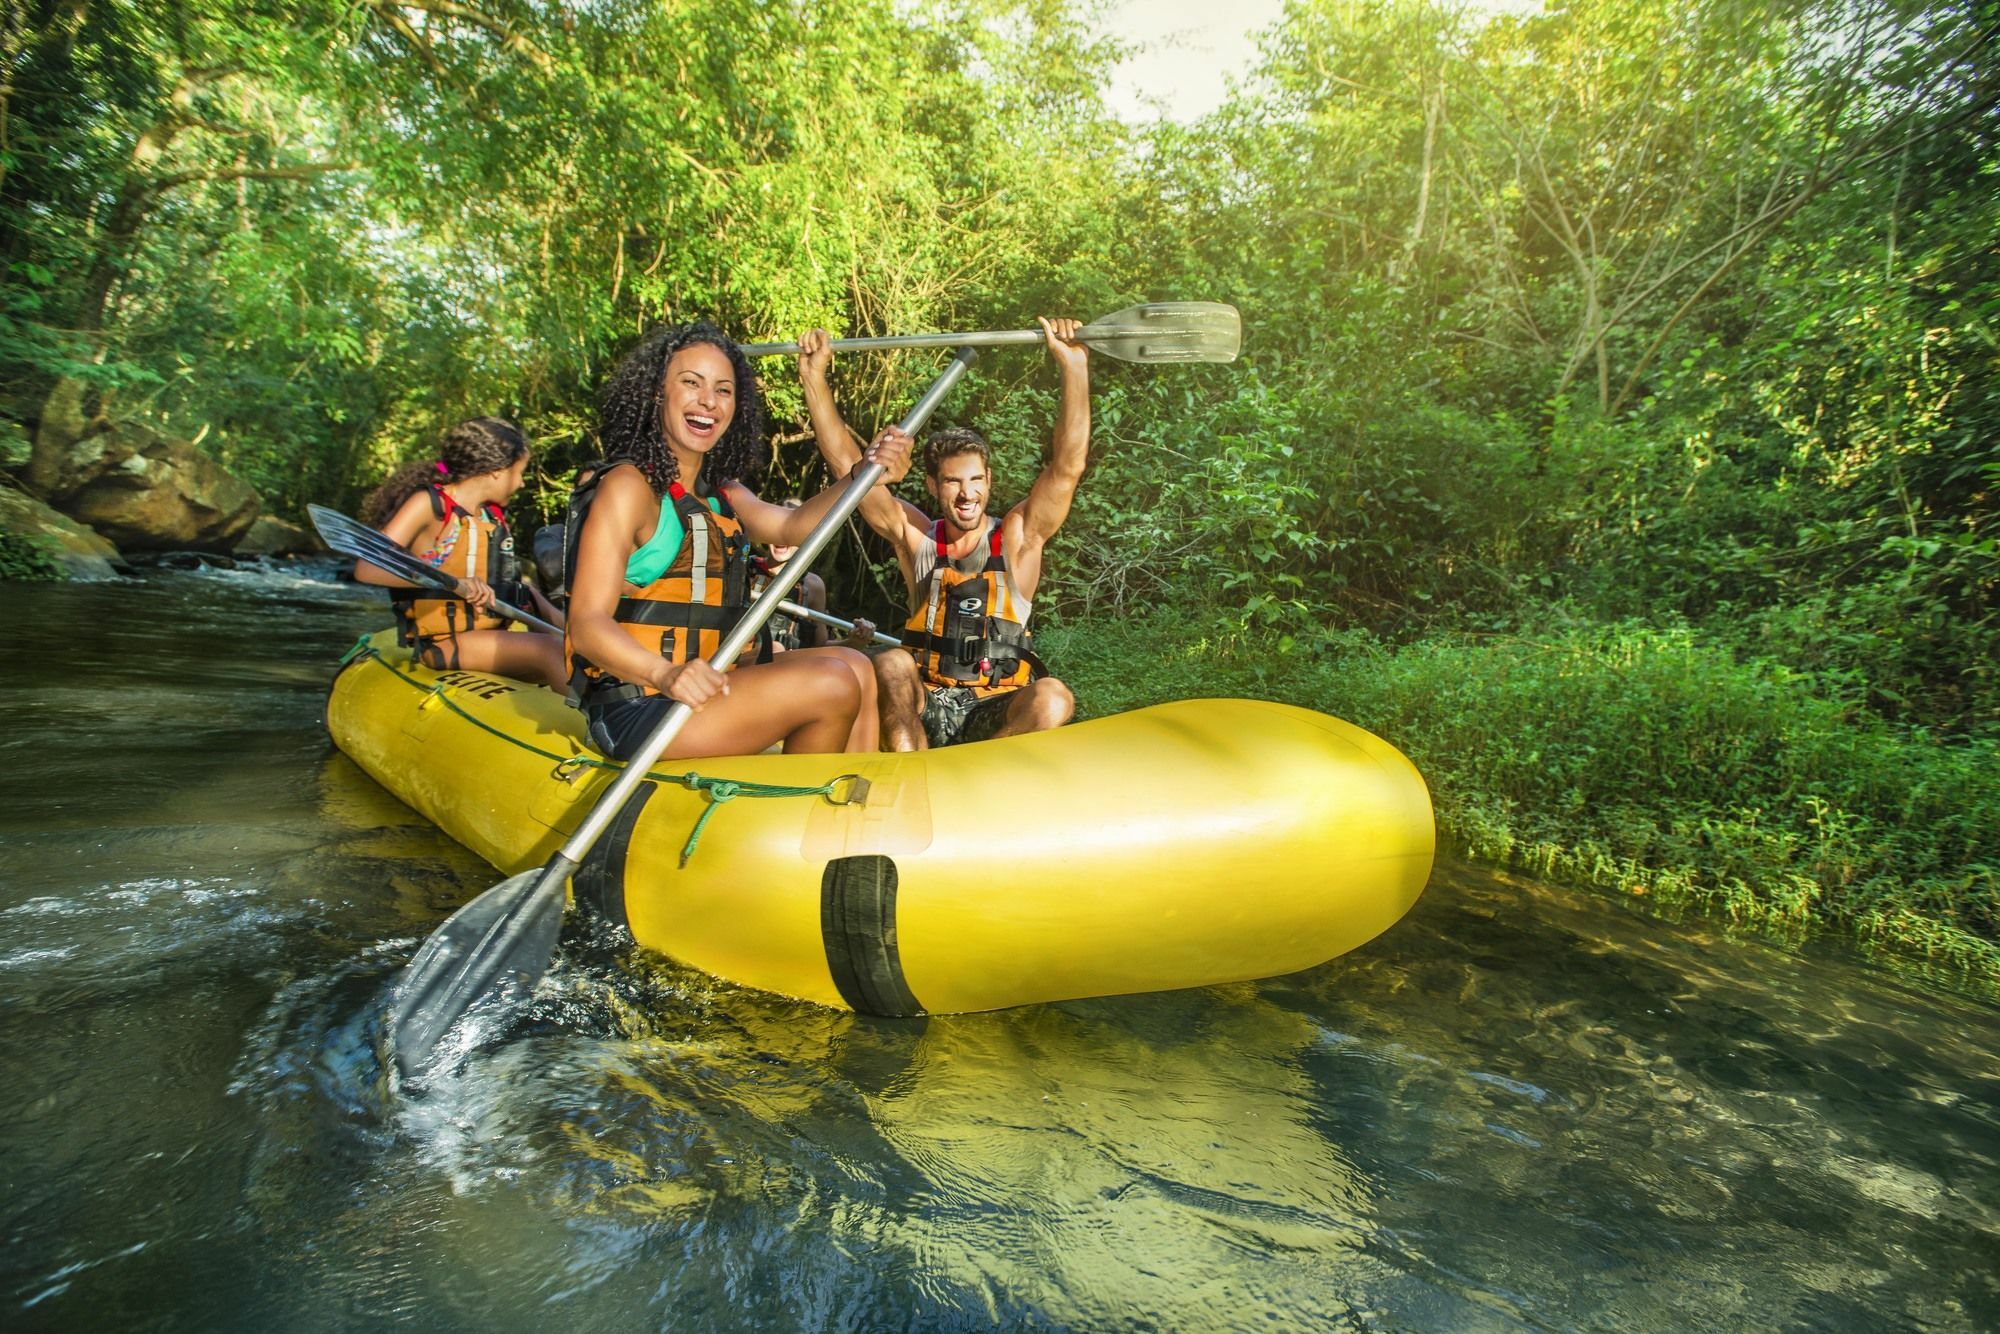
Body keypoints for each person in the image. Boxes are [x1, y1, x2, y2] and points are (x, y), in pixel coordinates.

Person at [564, 321, 910, 761]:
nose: (708, 401)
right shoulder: (629, 486)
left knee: (859, 668)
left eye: (723, 390)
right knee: (832, 683)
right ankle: (800, 811)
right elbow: (587, 623)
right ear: (657, 392)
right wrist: (666, 673)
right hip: (637, 704)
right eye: (691, 383)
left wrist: (866, 472)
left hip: (706, 687)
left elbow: (793, 527)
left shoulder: (721, 494)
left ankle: (854, 805)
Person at [797, 317, 1086, 749]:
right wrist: (813, 377)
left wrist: (1074, 368)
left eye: (975, 481)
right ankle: (911, 778)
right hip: (925, 702)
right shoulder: (915, 536)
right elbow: (848, 470)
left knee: (1054, 697)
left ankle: (979, 773)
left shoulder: (1018, 539)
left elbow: (1067, 468)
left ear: (989, 480)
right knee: (892, 662)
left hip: (996, 706)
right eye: (953, 482)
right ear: (934, 486)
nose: (967, 494)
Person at [354, 417, 568, 691]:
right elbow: (367, 567)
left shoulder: (490, 517)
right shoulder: (430, 506)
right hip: (444, 643)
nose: (521, 484)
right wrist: (453, 580)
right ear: (496, 471)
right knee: (552, 650)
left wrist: (581, 632)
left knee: (577, 648)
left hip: (490, 637)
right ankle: (598, 730)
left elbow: (524, 595)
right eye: (520, 473)